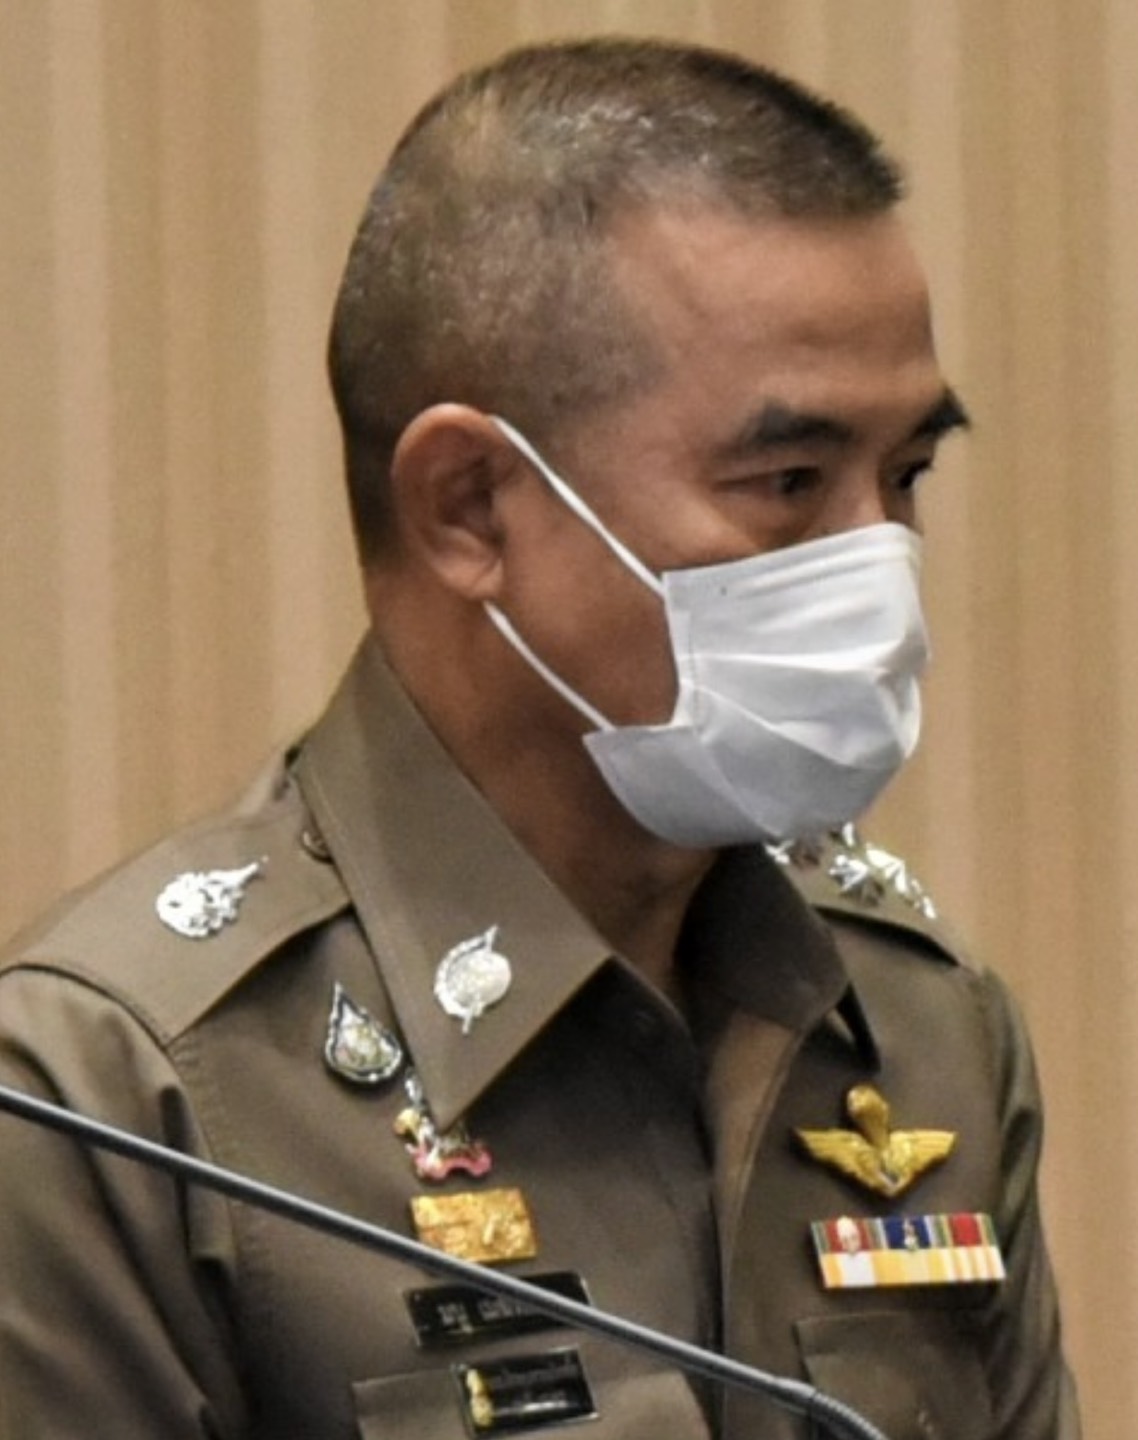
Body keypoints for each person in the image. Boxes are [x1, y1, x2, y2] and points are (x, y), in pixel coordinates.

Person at [0, 36, 1079, 1440]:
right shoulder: (117, 1095)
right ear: (468, 507)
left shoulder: (915, 1021)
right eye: (789, 481)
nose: (879, 565)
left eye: (907, 473)